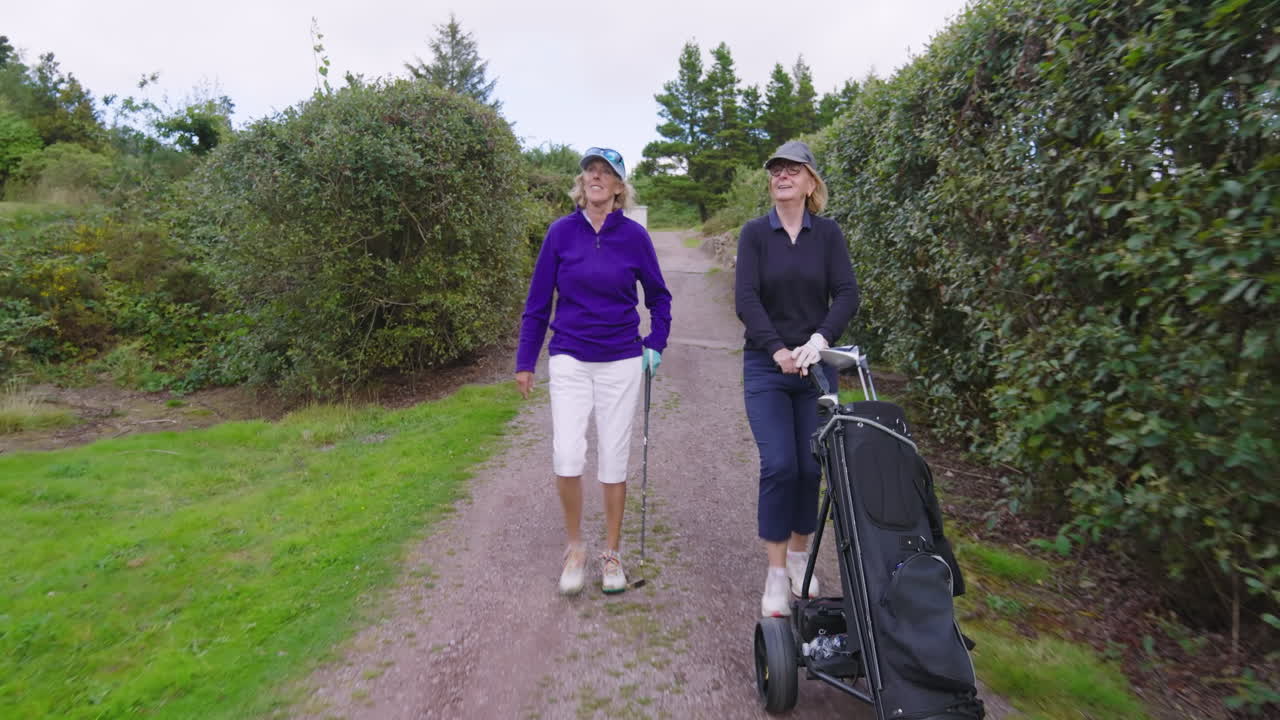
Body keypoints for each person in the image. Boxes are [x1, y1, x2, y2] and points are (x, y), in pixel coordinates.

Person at [515, 146, 672, 595]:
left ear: (620, 187)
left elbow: (659, 297)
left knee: (614, 457)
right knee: (567, 452)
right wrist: (526, 361)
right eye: (590, 172)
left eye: (607, 173)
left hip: (622, 359)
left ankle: (611, 554)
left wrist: (655, 343)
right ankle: (575, 549)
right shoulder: (560, 233)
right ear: (582, 183)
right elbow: (538, 303)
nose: (597, 178)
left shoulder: (634, 237)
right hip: (569, 356)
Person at [734, 140, 860, 617]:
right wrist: (779, 349)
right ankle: (774, 576)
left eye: (792, 170)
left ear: (811, 183)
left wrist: (820, 338)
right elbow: (746, 300)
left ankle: (800, 560)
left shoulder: (827, 235)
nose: (782, 176)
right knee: (780, 466)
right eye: (775, 170)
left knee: (811, 469)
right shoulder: (754, 235)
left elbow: (847, 293)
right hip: (767, 367)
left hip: (817, 371)